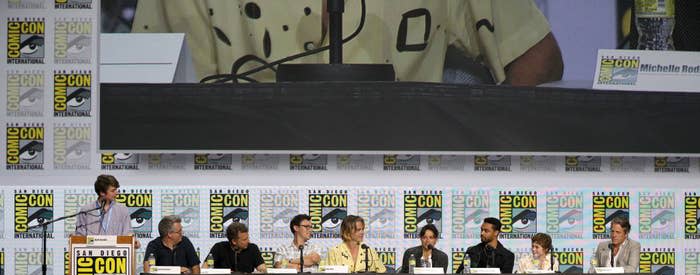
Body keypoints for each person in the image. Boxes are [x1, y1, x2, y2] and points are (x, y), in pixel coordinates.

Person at [131, 0, 563, 86]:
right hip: (240, 170)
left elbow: (539, 57)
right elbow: (138, 77)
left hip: (399, 169)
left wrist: (474, 147)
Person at [74, 174, 140, 248]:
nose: (117, 193)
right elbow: (80, 236)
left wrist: (134, 241)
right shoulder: (86, 210)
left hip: (117, 256)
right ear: (102, 193)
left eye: (116, 190)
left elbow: (128, 233)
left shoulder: (122, 209)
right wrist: (75, 239)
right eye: (113, 191)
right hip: (91, 255)